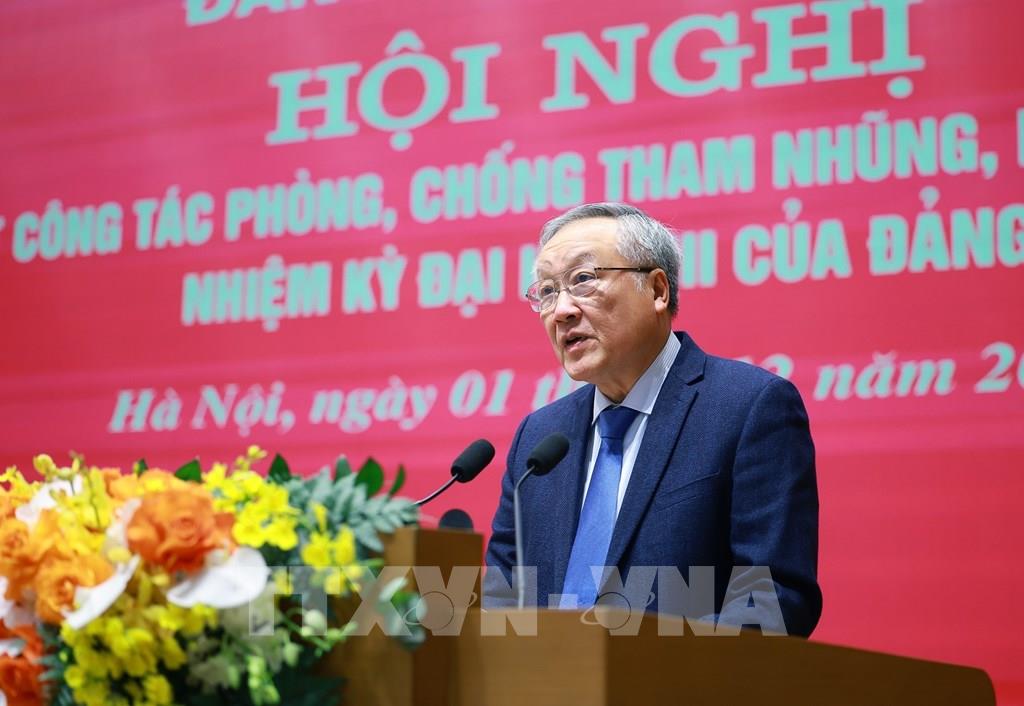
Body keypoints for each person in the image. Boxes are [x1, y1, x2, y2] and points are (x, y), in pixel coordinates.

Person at [482, 202, 822, 637]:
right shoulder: (540, 438)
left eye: (582, 279)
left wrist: (643, 665)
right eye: (547, 291)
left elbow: (774, 598)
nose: (561, 310)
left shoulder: (747, 407)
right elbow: (501, 599)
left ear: (658, 290)